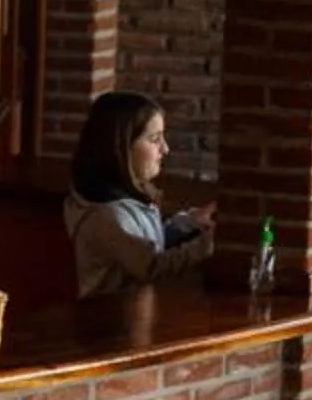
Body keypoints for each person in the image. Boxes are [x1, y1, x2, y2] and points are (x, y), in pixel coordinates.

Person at [64, 95, 215, 296]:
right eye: (155, 139)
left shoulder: (127, 198)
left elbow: (145, 243)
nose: (166, 149)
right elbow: (151, 266)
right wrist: (209, 243)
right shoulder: (106, 216)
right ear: (121, 147)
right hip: (110, 323)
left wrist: (189, 222)